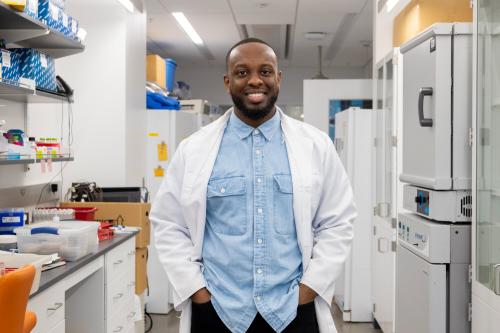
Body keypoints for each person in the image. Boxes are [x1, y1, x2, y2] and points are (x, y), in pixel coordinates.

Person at [150, 38, 356, 333]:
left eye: (265, 71)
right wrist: (198, 292)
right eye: (242, 72)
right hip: (218, 313)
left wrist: (308, 290)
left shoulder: (315, 145)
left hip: (293, 313)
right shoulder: (194, 149)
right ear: (227, 80)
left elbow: (338, 221)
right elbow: (169, 224)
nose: (255, 80)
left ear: (278, 78)